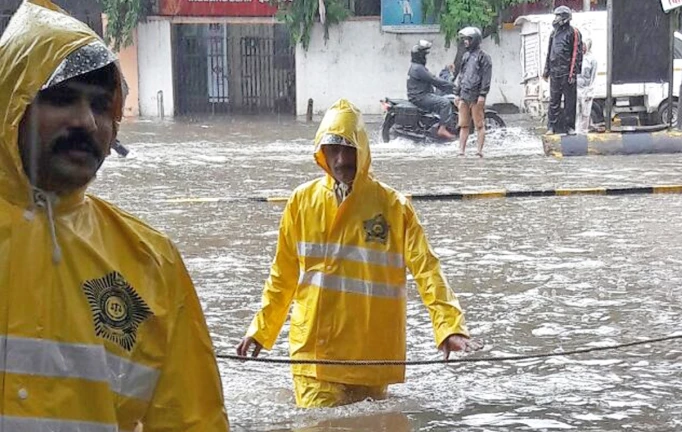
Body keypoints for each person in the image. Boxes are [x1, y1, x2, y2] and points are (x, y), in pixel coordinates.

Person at [0, 1, 229, 430]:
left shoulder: (151, 264)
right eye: (62, 99)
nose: (85, 121)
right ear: (11, 105)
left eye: (102, 106)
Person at [236, 99, 481, 408]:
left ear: (363, 150)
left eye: (348, 148)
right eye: (332, 149)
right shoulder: (301, 202)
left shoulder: (394, 207)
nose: (340, 160)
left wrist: (449, 326)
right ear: (321, 153)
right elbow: (281, 275)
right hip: (315, 354)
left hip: (373, 356)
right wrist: (260, 331)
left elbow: (427, 270)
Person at [543, 6, 582, 135]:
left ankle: (569, 127)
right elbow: (550, 52)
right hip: (555, 72)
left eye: (558, 16)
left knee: (570, 101)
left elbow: (576, 54)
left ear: (565, 18)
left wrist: (573, 73)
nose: (556, 19)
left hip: (567, 72)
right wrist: (546, 70)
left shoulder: (574, 32)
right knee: (554, 100)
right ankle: (551, 126)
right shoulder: (553, 33)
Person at [407, 40, 457, 140]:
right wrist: (451, 86)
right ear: (419, 56)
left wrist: (446, 72)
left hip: (421, 94)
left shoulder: (416, 67)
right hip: (421, 97)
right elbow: (433, 79)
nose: (425, 57)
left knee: (442, 96)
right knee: (445, 103)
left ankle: (440, 123)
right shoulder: (418, 68)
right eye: (424, 55)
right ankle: (442, 129)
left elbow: (433, 79)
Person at [455, 26, 493, 157]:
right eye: (465, 39)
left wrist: (483, 94)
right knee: (463, 125)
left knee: (479, 125)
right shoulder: (465, 56)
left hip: (476, 96)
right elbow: (461, 76)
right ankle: (461, 151)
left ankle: (479, 151)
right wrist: (457, 94)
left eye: (468, 39)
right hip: (464, 95)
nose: (465, 41)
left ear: (475, 40)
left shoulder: (484, 57)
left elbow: (486, 77)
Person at [576, 38, 597, 134]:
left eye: (585, 45)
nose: (583, 48)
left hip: (586, 89)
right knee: (577, 111)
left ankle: (584, 131)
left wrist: (590, 91)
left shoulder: (592, 60)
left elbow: (593, 77)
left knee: (585, 112)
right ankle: (577, 131)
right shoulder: (576, 57)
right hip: (576, 88)